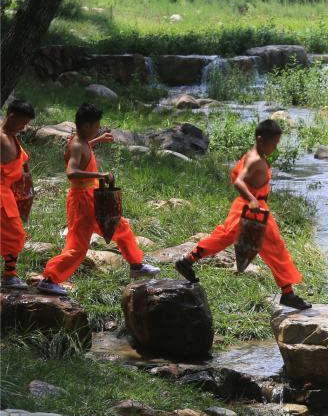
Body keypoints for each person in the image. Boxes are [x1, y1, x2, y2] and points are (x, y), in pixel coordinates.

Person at [175, 119, 311, 310]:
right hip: (252, 208)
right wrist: (252, 200)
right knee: (275, 248)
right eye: (274, 143)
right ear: (260, 139)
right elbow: (239, 182)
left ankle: (187, 260)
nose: (275, 147)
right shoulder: (255, 159)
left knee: (223, 237)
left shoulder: (255, 155)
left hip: (246, 207)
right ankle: (288, 294)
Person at [39, 104, 160, 296]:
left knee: (121, 227)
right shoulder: (77, 145)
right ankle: (49, 279)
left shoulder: (82, 140)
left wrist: (98, 139)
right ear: (87, 125)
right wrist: (100, 174)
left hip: (92, 198)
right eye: (97, 126)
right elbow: (71, 172)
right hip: (82, 202)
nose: (99, 128)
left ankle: (136, 265)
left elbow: (86, 149)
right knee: (78, 247)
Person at [1, 99, 36, 290]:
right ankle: (9, 276)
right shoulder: (1, 137)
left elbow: (22, 162)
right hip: (1, 195)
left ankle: (9, 275)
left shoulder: (12, 136)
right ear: (12, 117)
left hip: (8, 193)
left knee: (12, 234)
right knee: (15, 234)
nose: (24, 127)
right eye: (23, 122)